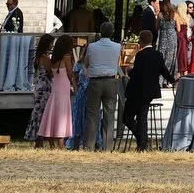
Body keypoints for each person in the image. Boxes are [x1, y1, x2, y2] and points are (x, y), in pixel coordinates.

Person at [122, 30, 168, 151]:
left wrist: (129, 71)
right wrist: (173, 79)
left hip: (137, 91)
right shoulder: (158, 54)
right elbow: (164, 71)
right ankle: (142, 143)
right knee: (142, 117)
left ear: (141, 41)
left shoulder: (140, 55)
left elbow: (137, 73)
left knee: (127, 118)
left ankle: (142, 139)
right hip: (150, 91)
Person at [82, 22, 124, 152]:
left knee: (92, 114)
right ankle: (107, 147)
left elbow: (86, 63)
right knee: (109, 115)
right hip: (110, 81)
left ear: (100, 32)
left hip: (95, 81)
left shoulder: (92, 47)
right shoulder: (117, 46)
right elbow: (117, 63)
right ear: (112, 33)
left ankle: (89, 145)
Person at [36, 35, 76, 148]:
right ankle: (61, 144)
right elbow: (69, 74)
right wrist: (74, 85)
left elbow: (50, 72)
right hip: (64, 90)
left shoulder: (53, 59)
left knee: (52, 114)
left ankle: (51, 143)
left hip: (55, 88)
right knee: (62, 115)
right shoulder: (66, 57)